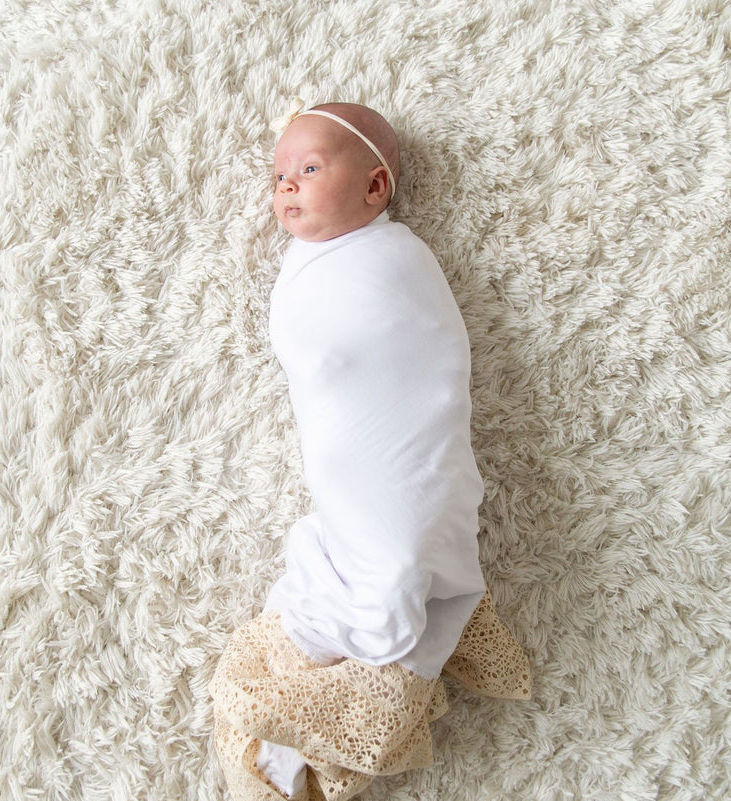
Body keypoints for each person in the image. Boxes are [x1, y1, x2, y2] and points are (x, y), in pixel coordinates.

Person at [210, 100, 531, 801]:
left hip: (406, 450)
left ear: (375, 187)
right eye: (279, 175)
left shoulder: (396, 256)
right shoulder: (310, 265)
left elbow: (429, 352)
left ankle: (373, 672)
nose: (286, 185)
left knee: (400, 555)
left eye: (310, 167)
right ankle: (323, 723)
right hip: (344, 458)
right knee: (349, 548)